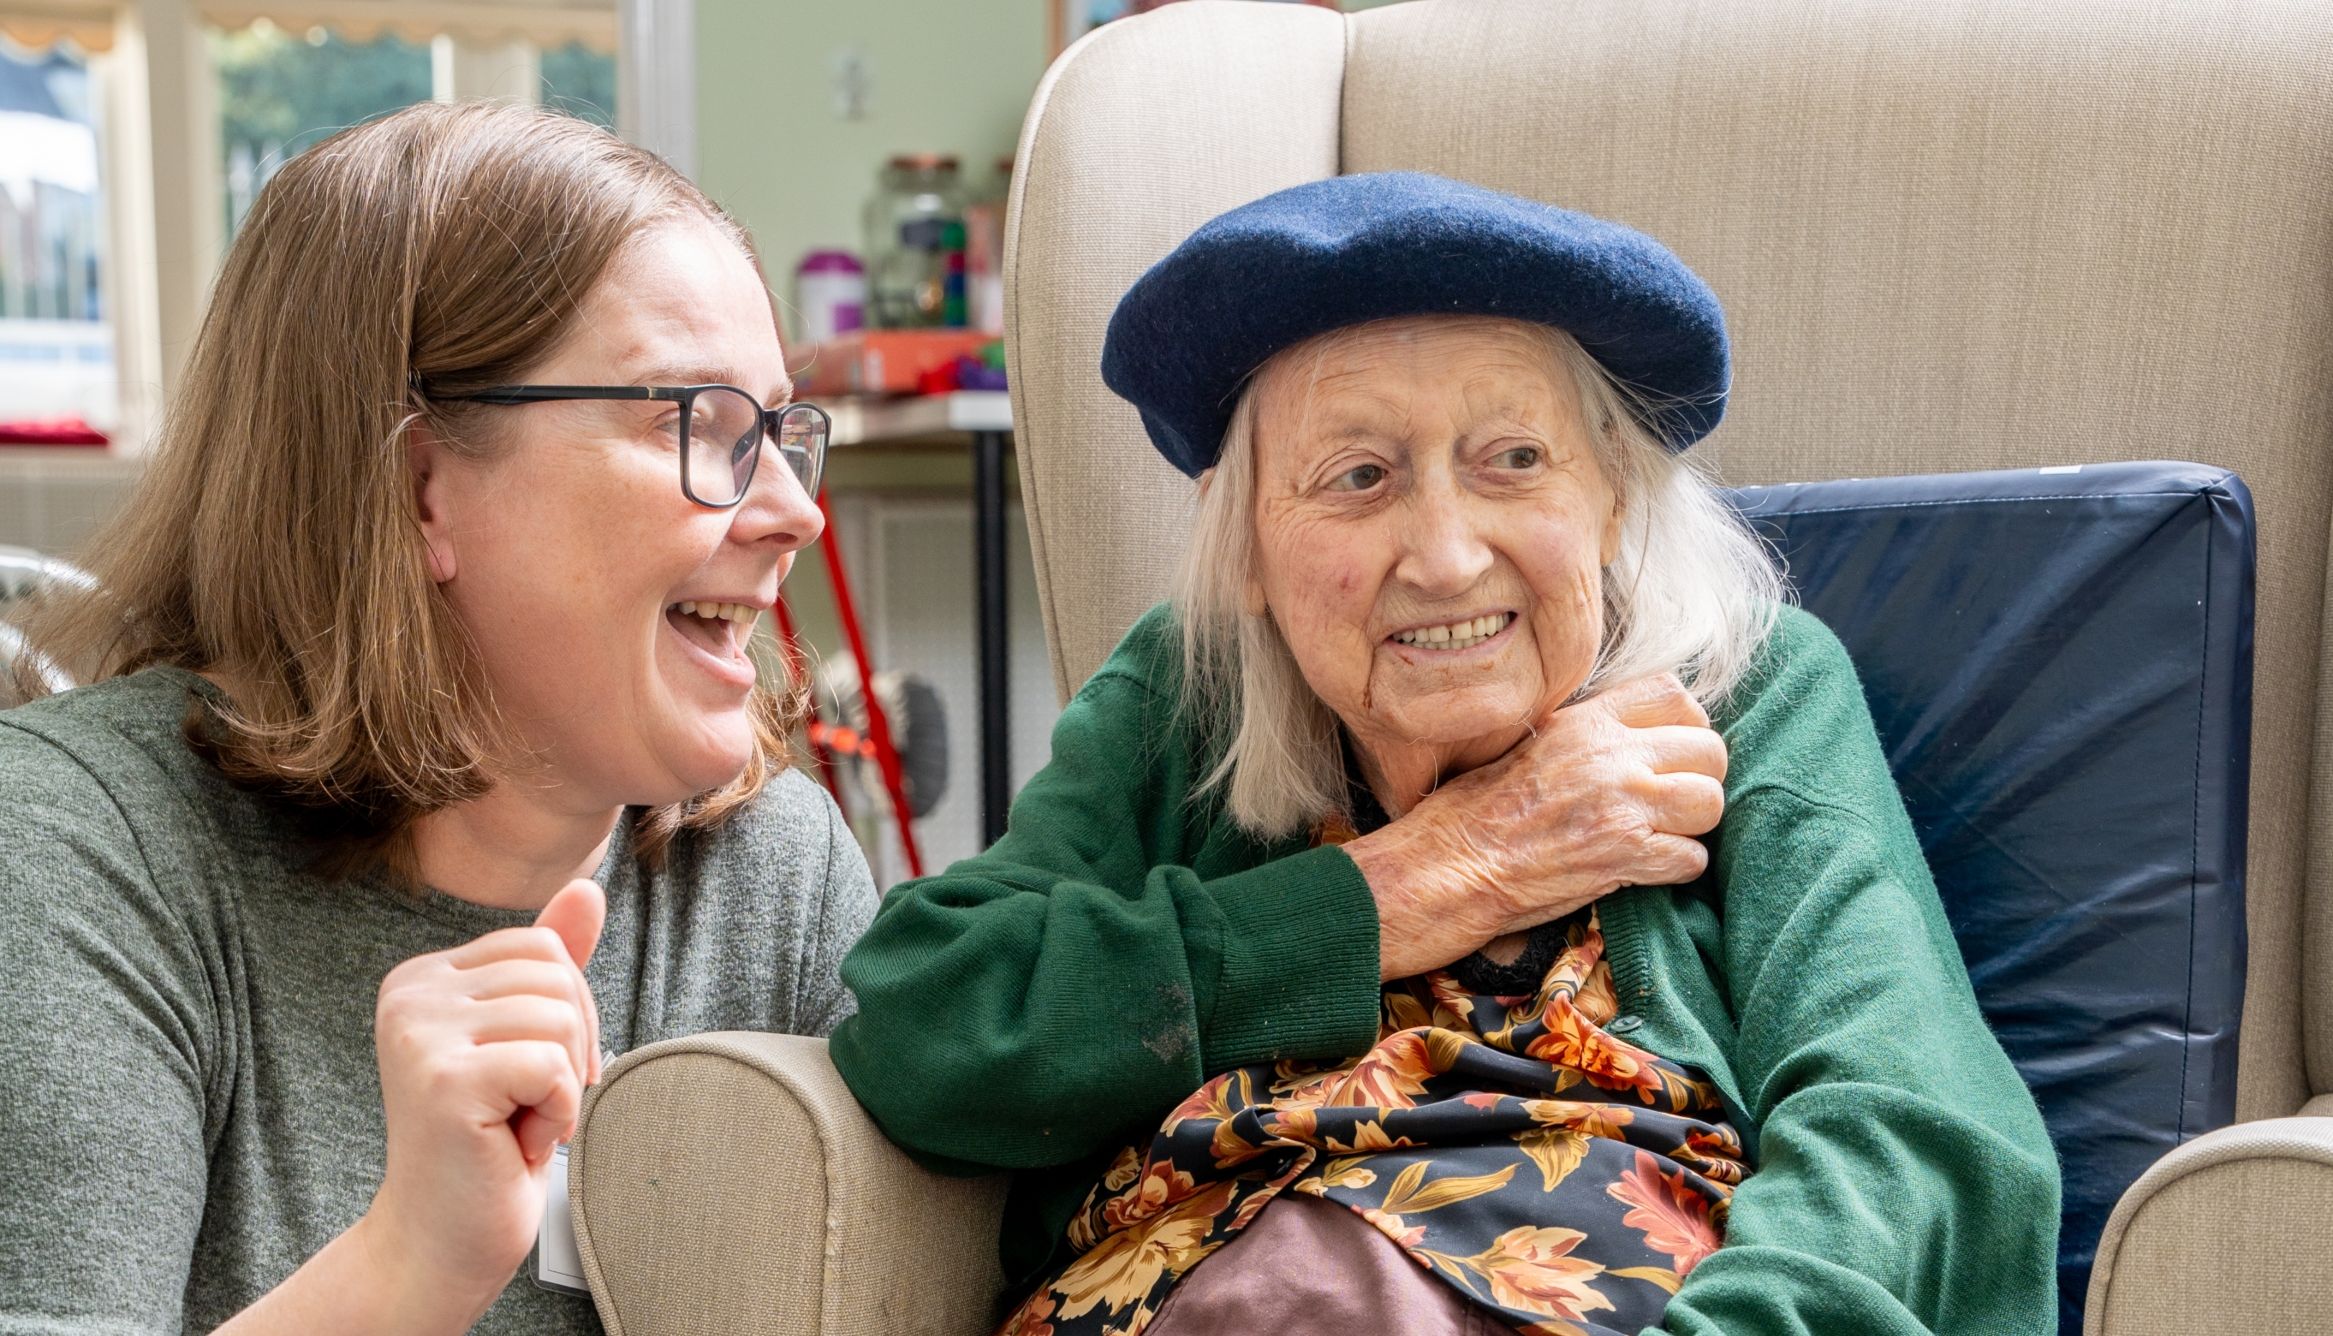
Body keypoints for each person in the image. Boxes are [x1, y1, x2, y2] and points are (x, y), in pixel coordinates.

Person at [832, 173, 2059, 1335]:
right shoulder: (1189, 692)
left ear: (1613, 498)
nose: (1444, 553)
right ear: (1248, 550)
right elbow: (926, 1021)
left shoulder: (1748, 690)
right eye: (1357, 476)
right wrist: (1418, 881)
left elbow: (1911, 1128)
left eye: (1512, 460)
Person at [0, 102, 876, 1335]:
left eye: (782, 431)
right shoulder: (74, 852)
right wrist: (406, 1264)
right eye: (700, 423)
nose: (794, 510)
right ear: (420, 489)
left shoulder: (771, 876)